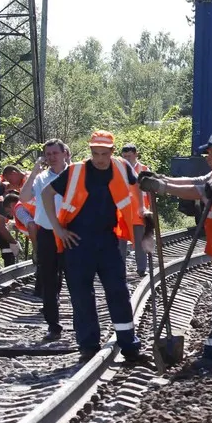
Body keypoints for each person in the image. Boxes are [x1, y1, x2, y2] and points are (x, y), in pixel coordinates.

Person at [138, 129, 212, 370]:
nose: (207, 156)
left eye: (210, 152)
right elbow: (197, 184)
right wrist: (163, 183)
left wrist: (206, 194)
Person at [42, 131, 143, 362]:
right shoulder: (76, 171)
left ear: (112, 152)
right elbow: (46, 193)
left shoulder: (122, 167)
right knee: (81, 295)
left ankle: (129, 345)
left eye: (104, 154)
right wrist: (57, 229)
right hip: (77, 241)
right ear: (90, 151)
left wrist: (141, 212)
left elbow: (138, 183)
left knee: (118, 291)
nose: (99, 158)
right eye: (95, 153)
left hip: (107, 240)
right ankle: (88, 346)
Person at [19, 139, 69, 340]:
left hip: (71, 233)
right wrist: (33, 171)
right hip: (47, 233)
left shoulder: (75, 175)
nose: (51, 158)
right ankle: (53, 326)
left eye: (55, 153)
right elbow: (23, 198)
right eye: (48, 155)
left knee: (77, 280)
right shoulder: (41, 178)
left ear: (65, 153)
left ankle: (82, 326)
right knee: (48, 280)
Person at [118, 144, 152, 277]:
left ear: (136, 154)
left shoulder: (144, 170)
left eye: (129, 156)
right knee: (120, 245)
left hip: (139, 214)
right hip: (122, 214)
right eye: (124, 156)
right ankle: (120, 271)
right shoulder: (119, 170)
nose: (126, 158)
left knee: (140, 243)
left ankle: (142, 269)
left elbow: (150, 193)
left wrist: (150, 212)